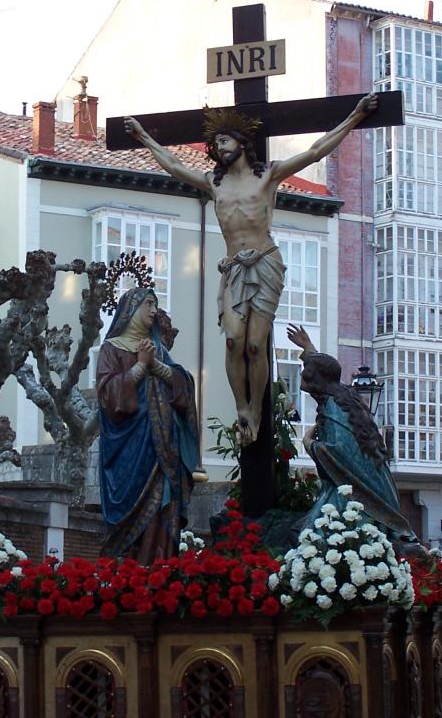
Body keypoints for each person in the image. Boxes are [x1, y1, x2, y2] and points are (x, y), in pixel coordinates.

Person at [124, 93, 378, 446]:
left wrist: (354, 117)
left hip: (266, 264)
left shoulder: (269, 176)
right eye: (215, 144)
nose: (218, 147)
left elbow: (316, 150)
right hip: (233, 269)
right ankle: (241, 406)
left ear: (242, 143)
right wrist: (144, 137)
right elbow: (172, 165)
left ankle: (257, 411)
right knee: (232, 341)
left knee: (256, 345)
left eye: (223, 140)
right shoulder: (215, 183)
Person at [285, 323, 420, 548]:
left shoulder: (332, 408)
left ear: (314, 379)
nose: (301, 373)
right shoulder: (342, 396)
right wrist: (308, 348)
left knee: (311, 538)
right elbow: (326, 370)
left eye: (306, 371)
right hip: (362, 487)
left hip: (351, 494)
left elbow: (338, 450)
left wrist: (310, 445)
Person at [96, 288, 199, 561]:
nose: (154, 311)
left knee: (162, 506)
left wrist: (155, 364)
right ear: (131, 308)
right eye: (149, 304)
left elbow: (183, 384)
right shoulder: (111, 349)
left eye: (156, 305)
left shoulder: (160, 351)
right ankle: (128, 568)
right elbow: (108, 397)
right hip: (128, 448)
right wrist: (140, 366)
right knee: (130, 511)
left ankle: (158, 568)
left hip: (162, 449)